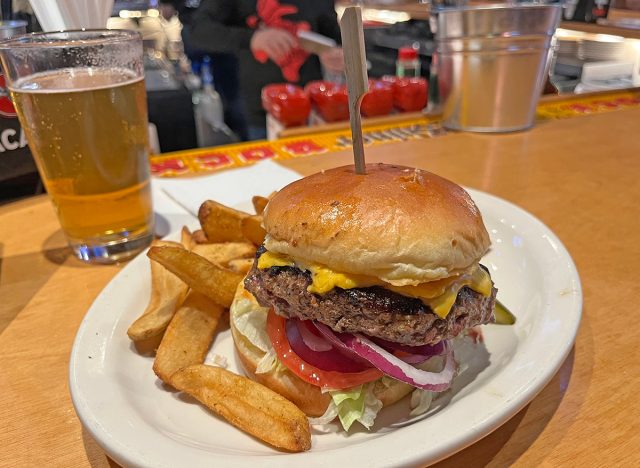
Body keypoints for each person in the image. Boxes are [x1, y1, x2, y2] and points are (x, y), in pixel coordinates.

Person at [188, 0, 344, 140]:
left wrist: (336, 52)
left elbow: (332, 34)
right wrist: (252, 39)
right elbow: (198, 30)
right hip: (259, 113)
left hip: (312, 109)